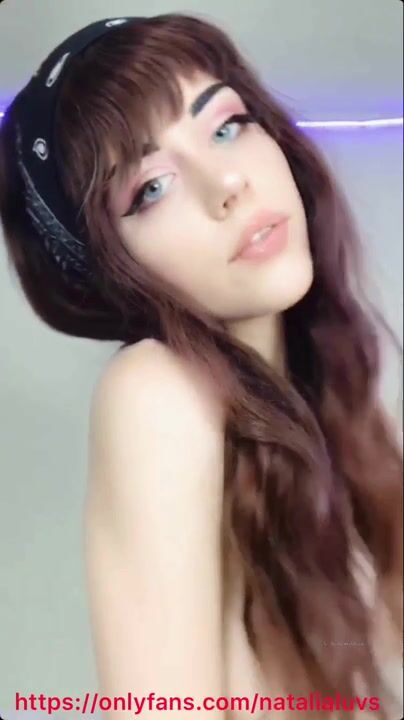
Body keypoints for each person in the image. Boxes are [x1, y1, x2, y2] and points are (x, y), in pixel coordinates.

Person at [0, 13, 402, 720]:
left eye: (227, 125)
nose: (226, 182)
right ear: (109, 269)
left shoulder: (325, 409)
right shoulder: (155, 394)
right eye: (151, 187)